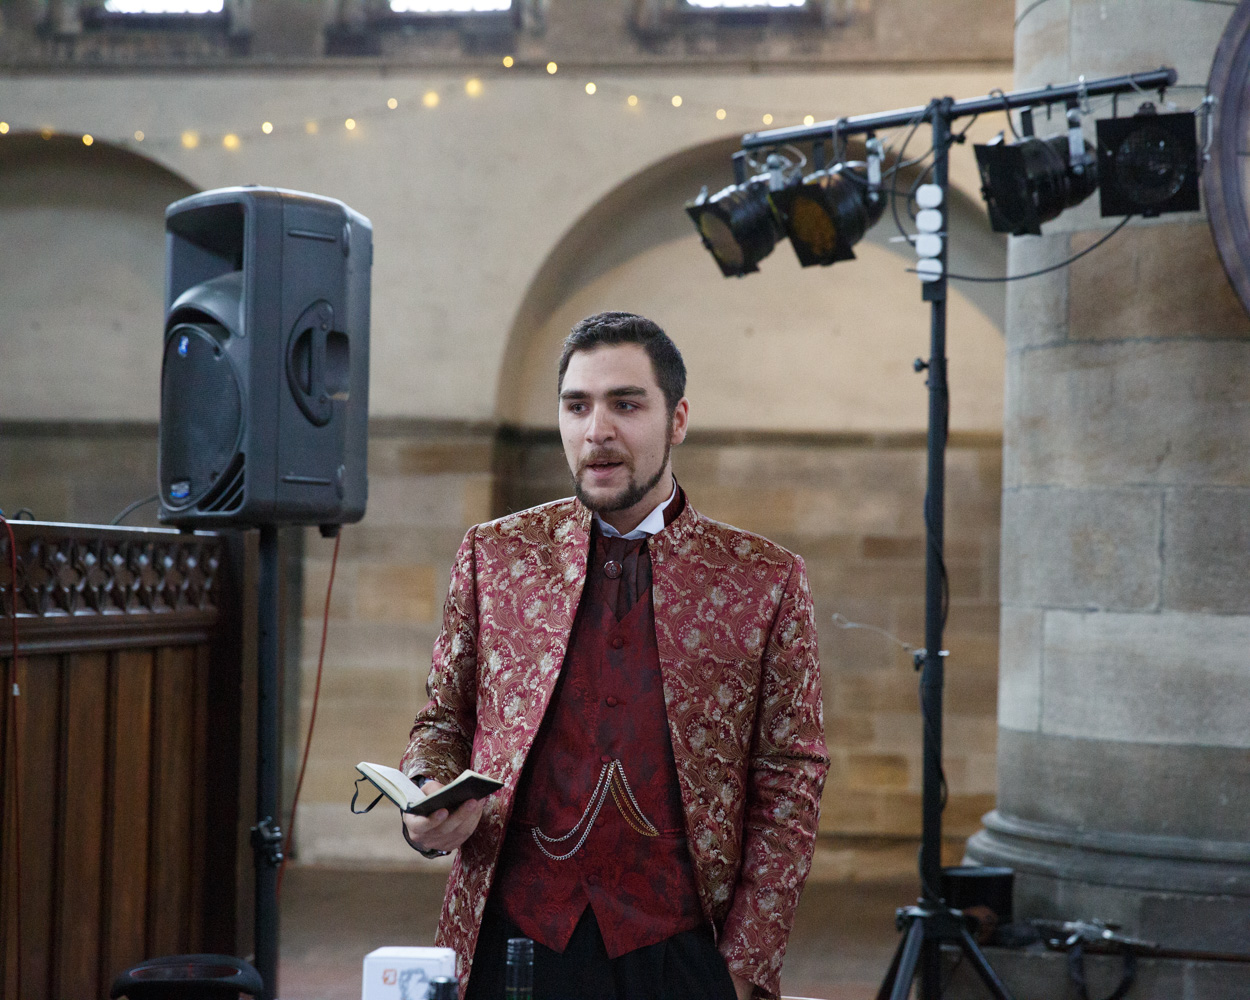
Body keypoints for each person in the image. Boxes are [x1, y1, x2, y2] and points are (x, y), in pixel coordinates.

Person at [400, 311, 828, 1000]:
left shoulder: (762, 577)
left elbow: (790, 777)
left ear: (677, 420)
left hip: (681, 950)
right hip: (515, 939)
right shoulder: (495, 555)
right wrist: (424, 794)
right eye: (578, 406)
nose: (597, 429)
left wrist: (748, 964)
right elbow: (442, 722)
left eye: (626, 404)